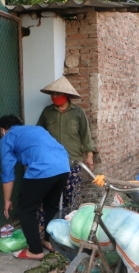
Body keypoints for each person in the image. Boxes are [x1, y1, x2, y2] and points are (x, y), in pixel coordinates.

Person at [0, 115, 70, 260]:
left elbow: (7, 172)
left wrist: (7, 200)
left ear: (2, 130)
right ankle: (50, 242)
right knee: (51, 206)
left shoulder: (8, 137)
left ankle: (35, 251)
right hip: (63, 166)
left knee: (26, 210)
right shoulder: (37, 129)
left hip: (43, 169)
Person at [37, 76, 95, 212]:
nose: (55, 96)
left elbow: (86, 135)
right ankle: (49, 227)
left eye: (58, 93)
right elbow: (39, 134)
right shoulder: (47, 112)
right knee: (50, 197)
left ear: (66, 95)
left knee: (71, 197)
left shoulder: (78, 112)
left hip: (72, 162)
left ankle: (70, 224)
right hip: (51, 162)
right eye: (53, 94)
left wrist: (89, 156)